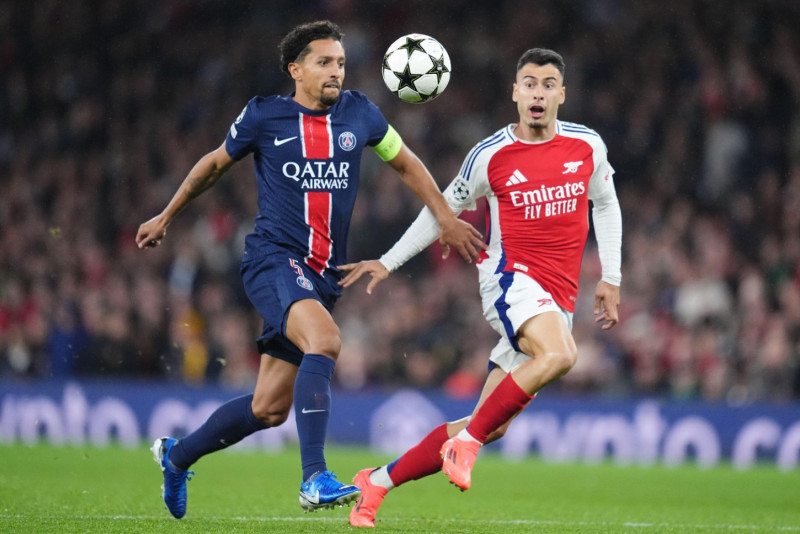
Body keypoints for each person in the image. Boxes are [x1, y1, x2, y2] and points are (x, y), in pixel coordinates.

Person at [135, 20, 486, 519]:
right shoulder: (264, 116)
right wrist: (167, 215)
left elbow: (406, 163)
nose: (336, 71)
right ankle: (314, 478)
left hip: (322, 274)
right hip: (274, 259)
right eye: (324, 62)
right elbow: (213, 164)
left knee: (268, 409)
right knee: (325, 340)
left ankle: (176, 456)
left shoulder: (360, 113)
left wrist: (446, 218)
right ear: (295, 69)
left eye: (340, 62)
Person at [339, 47, 622, 527]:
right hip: (510, 280)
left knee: (491, 423)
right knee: (561, 354)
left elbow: (607, 205)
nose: (537, 93)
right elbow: (441, 211)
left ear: (562, 95)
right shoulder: (489, 154)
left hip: (557, 297)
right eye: (529, 84)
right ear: (515, 93)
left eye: (548, 85)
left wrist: (611, 277)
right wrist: (389, 262)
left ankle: (378, 481)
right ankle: (464, 446)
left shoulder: (587, 146)